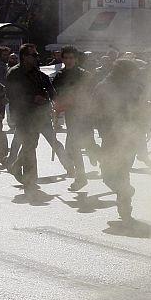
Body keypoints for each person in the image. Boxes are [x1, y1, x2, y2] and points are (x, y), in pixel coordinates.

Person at [92, 59, 151, 221]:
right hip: (114, 136)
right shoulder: (105, 87)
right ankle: (125, 196)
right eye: (133, 71)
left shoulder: (132, 87)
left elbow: (142, 110)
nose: (135, 74)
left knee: (117, 173)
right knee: (114, 174)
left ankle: (125, 206)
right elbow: (95, 111)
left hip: (126, 136)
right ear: (125, 72)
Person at [6, 44, 70, 188]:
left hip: (40, 114)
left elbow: (49, 87)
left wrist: (56, 101)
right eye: (33, 55)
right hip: (24, 115)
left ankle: (18, 167)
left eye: (36, 55)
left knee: (32, 144)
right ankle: (30, 178)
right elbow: (11, 94)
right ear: (24, 57)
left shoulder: (37, 73)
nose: (36, 57)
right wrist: (31, 98)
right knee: (29, 145)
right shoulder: (15, 73)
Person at [52, 45, 99, 191]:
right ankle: (81, 177)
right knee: (74, 147)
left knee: (88, 143)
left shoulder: (85, 74)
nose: (68, 60)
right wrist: (57, 105)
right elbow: (55, 93)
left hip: (85, 114)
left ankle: (97, 155)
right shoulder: (60, 75)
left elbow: (93, 93)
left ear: (76, 59)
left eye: (71, 57)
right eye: (66, 57)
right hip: (71, 115)